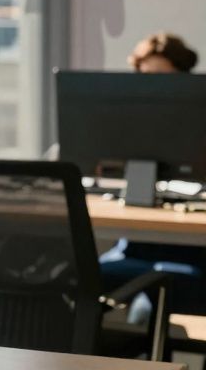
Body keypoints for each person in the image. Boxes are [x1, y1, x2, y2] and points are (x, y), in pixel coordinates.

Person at [101, 32, 204, 320]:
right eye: (145, 77)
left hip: (190, 251)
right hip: (133, 247)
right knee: (71, 280)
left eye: (164, 78)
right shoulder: (127, 127)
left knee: (147, 313)